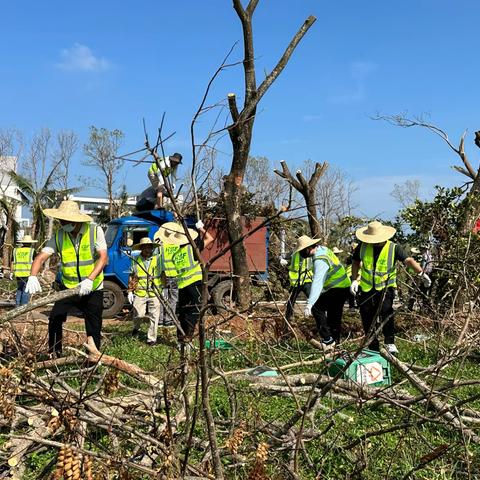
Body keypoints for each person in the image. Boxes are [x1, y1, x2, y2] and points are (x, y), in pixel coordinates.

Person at [25, 201, 108, 356]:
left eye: (65, 221)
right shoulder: (59, 236)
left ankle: (92, 357)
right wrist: (32, 276)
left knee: (93, 324)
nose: (62, 223)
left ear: (75, 220)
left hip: (93, 287)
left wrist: (89, 279)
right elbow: (41, 257)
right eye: (61, 220)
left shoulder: (94, 231)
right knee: (55, 317)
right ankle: (54, 353)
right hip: (68, 286)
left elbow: (103, 258)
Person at [350, 221, 431, 354]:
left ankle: (389, 342)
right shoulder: (363, 246)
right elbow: (355, 261)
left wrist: (421, 273)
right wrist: (354, 280)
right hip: (366, 287)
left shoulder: (394, 248)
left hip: (385, 287)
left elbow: (408, 260)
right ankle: (372, 344)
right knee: (366, 316)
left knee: (386, 312)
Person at [156, 220, 213, 342]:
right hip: (195, 281)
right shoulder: (192, 248)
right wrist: (201, 228)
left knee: (183, 310)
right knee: (195, 309)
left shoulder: (173, 252)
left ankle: (181, 336)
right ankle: (189, 334)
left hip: (182, 284)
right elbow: (210, 238)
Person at [297, 236, 351, 350]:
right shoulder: (323, 249)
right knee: (334, 316)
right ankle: (336, 344)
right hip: (343, 286)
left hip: (338, 288)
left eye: (302, 250)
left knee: (317, 308)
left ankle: (327, 339)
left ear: (308, 248)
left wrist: (310, 303)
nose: (301, 253)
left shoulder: (320, 259)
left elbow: (318, 281)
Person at [127, 237, 164, 346]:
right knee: (139, 314)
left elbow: (162, 274)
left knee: (154, 316)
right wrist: (130, 291)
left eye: (150, 248)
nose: (148, 250)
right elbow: (133, 276)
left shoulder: (158, 259)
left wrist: (164, 289)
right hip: (140, 292)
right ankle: (136, 328)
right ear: (142, 248)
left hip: (155, 292)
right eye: (146, 248)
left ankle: (151, 339)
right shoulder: (135, 260)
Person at [280, 245, 314, 323]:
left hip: (307, 280)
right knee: (291, 300)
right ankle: (288, 318)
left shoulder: (310, 253)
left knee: (313, 298)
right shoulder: (293, 253)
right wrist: (284, 261)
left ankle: (318, 314)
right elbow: (287, 261)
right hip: (295, 282)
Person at [153, 232, 179, 328]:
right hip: (174, 276)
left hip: (163, 275)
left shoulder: (161, 246)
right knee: (173, 299)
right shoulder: (177, 245)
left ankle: (159, 321)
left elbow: (156, 259)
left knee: (162, 298)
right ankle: (168, 320)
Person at [12, 235, 37, 306]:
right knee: (26, 290)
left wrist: (11, 272)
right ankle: (23, 307)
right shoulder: (32, 251)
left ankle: (17, 306)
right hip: (28, 273)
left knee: (19, 289)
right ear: (30, 243)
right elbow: (36, 262)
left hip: (18, 274)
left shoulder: (15, 250)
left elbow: (12, 262)